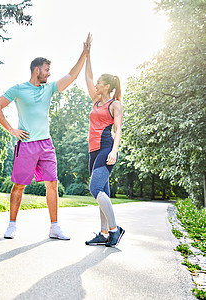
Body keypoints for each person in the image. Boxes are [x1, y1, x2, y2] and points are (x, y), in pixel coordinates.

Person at [0, 34, 92, 240]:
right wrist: (12, 130)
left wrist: (84, 53)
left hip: (46, 144)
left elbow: (71, 76)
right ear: (37, 70)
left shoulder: (49, 88)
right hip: (26, 144)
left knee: (52, 184)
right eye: (46, 70)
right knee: (19, 185)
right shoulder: (18, 89)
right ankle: (11, 224)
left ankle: (54, 227)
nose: (49, 73)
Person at [84, 39, 125, 247]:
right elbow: (88, 77)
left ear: (107, 86)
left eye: (100, 83)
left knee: (95, 187)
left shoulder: (114, 104)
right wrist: (87, 54)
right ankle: (102, 233)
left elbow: (118, 130)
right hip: (93, 150)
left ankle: (115, 229)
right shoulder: (95, 100)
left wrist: (114, 151)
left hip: (106, 148)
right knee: (103, 192)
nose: (96, 85)